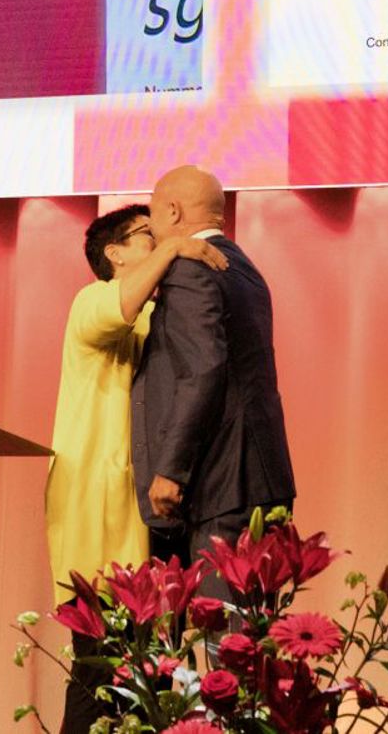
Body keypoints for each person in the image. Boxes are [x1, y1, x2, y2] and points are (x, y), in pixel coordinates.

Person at [47, 204, 227, 734]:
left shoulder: (156, 314)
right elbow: (123, 305)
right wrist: (174, 246)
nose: (160, 240)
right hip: (99, 515)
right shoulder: (93, 300)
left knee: (152, 678)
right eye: (147, 234)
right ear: (115, 253)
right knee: (100, 672)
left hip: (151, 515)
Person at [131, 164, 295, 574]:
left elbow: (202, 370)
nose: (152, 230)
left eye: (151, 215)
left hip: (223, 484)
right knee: (250, 613)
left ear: (172, 211)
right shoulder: (244, 267)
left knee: (221, 614)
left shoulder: (189, 269)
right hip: (259, 477)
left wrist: (171, 469)